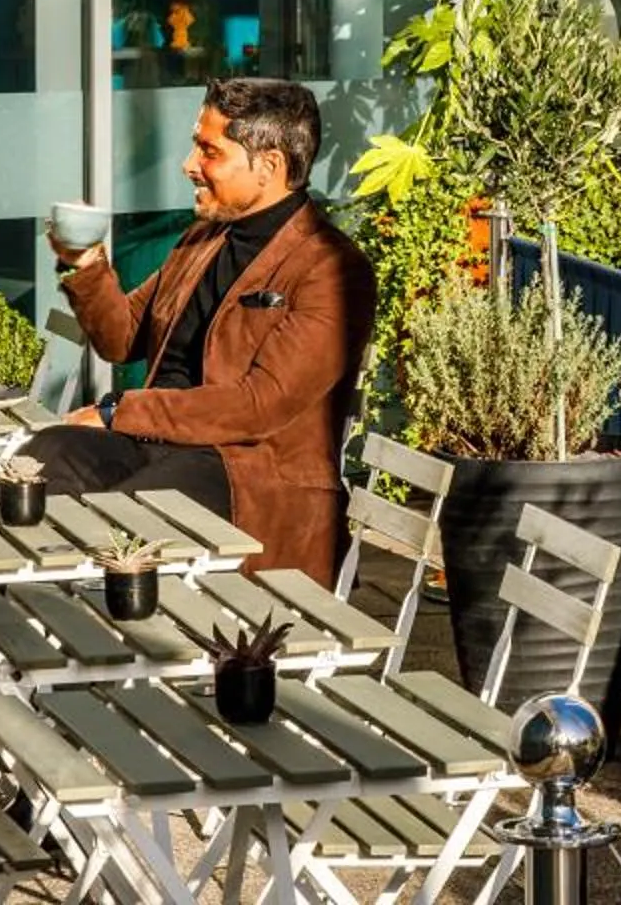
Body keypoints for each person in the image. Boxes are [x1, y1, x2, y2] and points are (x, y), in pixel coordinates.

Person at [21, 77, 377, 583]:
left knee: (128, 517)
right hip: (162, 444)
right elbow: (121, 337)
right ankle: (33, 615)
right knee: (46, 457)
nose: (189, 165)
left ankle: (95, 620)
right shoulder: (202, 240)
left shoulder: (331, 269)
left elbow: (259, 405)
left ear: (269, 165)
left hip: (249, 472)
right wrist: (85, 264)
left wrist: (119, 411)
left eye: (210, 151)